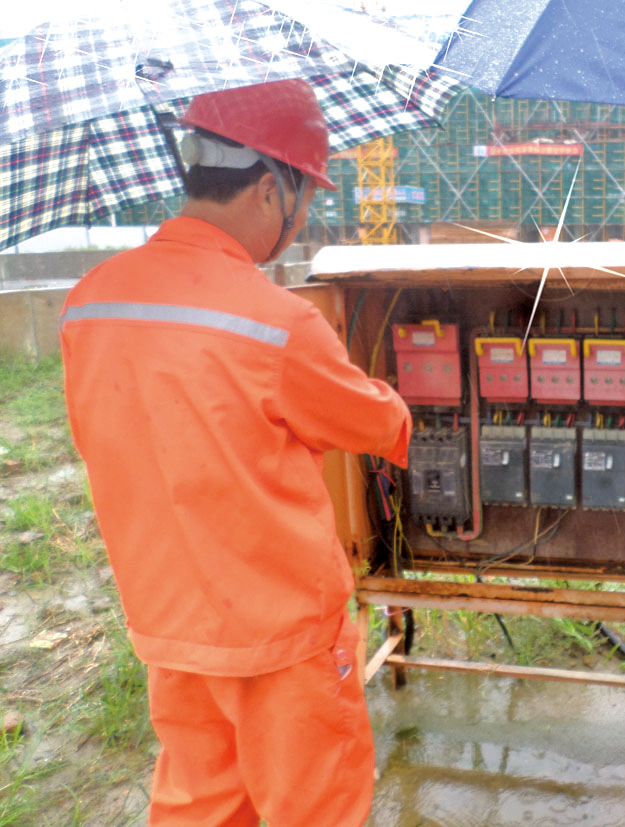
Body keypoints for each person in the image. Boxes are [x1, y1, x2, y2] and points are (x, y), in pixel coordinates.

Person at [59, 79, 411, 826]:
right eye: (305, 198)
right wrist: (406, 406)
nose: (302, 217)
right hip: (282, 641)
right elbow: (372, 425)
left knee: (200, 808)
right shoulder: (279, 324)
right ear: (269, 188)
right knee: (314, 809)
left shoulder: (88, 300)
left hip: (172, 625)